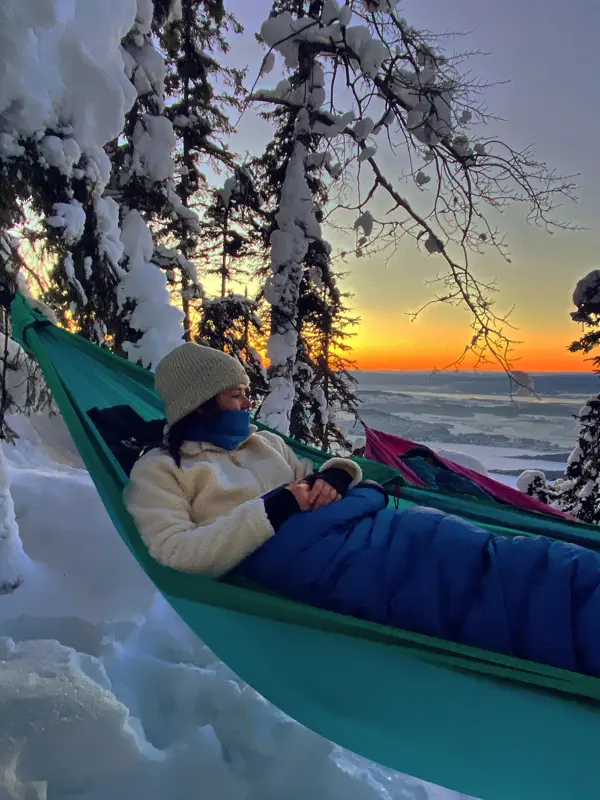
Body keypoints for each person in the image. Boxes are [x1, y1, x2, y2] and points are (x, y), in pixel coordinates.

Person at [124, 343, 362, 577]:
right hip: (319, 564)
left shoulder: (267, 442)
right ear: (200, 405)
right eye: (236, 395)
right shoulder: (160, 469)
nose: (248, 404)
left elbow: (311, 477)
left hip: (350, 533)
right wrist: (273, 510)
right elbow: (174, 553)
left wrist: (335, 476)